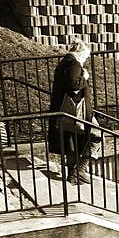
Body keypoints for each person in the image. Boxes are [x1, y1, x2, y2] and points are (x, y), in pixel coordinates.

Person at [47, 39, 101, 183]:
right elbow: (74, 85)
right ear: (81, 53)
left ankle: (73, 175)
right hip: (76, 110)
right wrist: (85, 77)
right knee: (96, 135)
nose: (85, 60)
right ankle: (80, 170)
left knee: (72, 141)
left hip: (66, 110)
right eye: (85, 57)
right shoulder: (74, 64)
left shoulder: (65, 62)